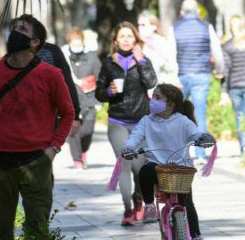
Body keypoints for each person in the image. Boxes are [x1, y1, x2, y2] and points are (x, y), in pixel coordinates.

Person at [0, 14, 75, 240]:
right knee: (1, 228)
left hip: (36, 160)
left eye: (23, 29)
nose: (15, 33)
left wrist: (53, 149)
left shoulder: (51, 75)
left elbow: (68, 114)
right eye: (14, 28)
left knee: (37, 226)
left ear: (35, 42)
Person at [122, 84, 214, 240]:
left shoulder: (182, 121)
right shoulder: (147, 121)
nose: (153, 101)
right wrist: (129, 147)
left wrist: (203, 138)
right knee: (144, 170)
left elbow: (195, 134)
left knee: (187, 203)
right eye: (153, 97)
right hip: (157, 168)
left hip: (181, 169)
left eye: (158, 98)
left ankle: (197, 239)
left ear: (170, 105)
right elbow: (135, 137)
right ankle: (149, 206)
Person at [95, 21, 158, 226]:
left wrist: (141, 61)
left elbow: (151, 83)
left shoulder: (143, 60)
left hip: (140, 122)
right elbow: (99, 93)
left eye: (129, 36)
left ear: (136, 40)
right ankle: (127, 209)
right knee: (124, 163)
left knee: (140, 168)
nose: (126, 40)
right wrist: (108, 92)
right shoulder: (108, 63)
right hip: (117, 121)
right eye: (122, 36)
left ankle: (139, 198)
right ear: (115, 41)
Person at [168, 0, 224, 161]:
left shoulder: (174, 28)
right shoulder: (207, 27)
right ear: (198, 11)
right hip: (201, 75)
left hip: (181, 75)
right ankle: (201, 154)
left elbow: (171, 55)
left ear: (181, 12)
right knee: (199, 114)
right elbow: (217, 51)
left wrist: (173, 76)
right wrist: (219, 70)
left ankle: (179, 153)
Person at [219, 15, 245, 155]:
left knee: (239, 117)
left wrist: (224, 91)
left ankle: (244, 147)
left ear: (231, 27)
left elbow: (226, 70)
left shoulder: (228, 46)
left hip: (235, 87)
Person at [62, 27, 102, 169]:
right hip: (71, 100)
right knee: (73, 131)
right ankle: (77, 159)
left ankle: (83, 150)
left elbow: (100, 78)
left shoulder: (91, 56)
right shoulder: (64, 57)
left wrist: (99, 100)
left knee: (87, 131)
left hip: (90, 99)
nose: (76, 45)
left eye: (78, 42)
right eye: (73, 42)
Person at [37, 41, 82, 135]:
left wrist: (75, 116)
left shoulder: (52, 51)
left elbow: (67, 82)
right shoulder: (14, 51)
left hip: (47, 118)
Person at [137, 11, 178, 86]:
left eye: (143, 25)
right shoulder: (136, 43)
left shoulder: (161, 42)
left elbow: (171, 65)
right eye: (139, 25)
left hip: (161, 83)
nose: (140, 28)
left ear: (154, 27)